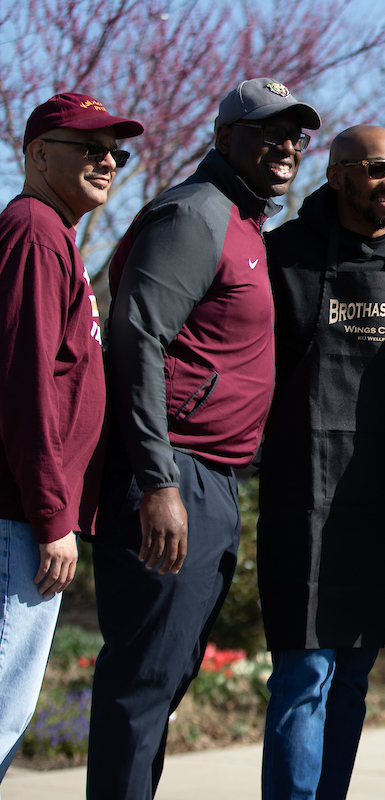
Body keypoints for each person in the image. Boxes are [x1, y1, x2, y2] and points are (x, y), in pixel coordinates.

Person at [86, 77, 320, 799]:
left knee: (164, 681)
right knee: (142, 683)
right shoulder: (195, 214)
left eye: (296, 134)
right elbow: (137, 337)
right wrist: (158, 482)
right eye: (266, 131)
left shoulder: (244, 223)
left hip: (211, 479)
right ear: (223, 139)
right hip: (171, 474)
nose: (285, 145)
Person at [256, 124, 385, 800]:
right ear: (336, 177)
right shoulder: (284, 257)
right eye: (376, 168)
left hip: (383, 509)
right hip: (302, 501)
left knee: (354, 678)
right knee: (304, 677)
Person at [0, 92, 142, 779]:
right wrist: (53, 515)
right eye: (89, 147)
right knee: (1, 710)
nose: (107, 161)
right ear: (36, 154)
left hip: (28, 516)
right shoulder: (33, 231)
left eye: (115, 151)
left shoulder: (54, 235)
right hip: (19, 518)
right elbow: (24, 384)